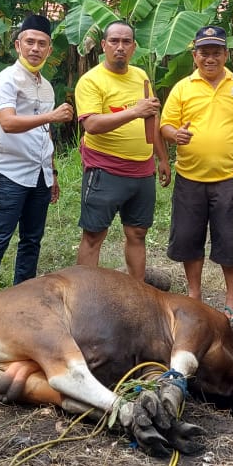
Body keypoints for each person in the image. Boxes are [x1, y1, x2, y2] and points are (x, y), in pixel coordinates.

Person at [0, 15, 74, 302]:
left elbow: (45, 132)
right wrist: (52, 115)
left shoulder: (46, 86)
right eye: (30, 42)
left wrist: (51, 172)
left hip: (39, 174)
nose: (35, 48)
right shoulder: (6, 80)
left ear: (50, 49)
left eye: (42, 44)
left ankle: (24, 298)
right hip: (10, 173)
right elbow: (8, 122)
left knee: (31, 240)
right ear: (18, 45)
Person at [160, 25, 233, 322]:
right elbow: (164, 126)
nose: (210, 58)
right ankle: (195, 296)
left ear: (226, 54)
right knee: (189, 239)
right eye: (204, 52)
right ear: (195, 55)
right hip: (189, 177)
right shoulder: (182, 88)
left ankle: (231, 300)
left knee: (230, 242)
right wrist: (176, 135)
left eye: (216, 52)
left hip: (228, 179)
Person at [75, 21, 171, 280]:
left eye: (126, 42)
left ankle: (137, 292)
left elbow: (151, 118)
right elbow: (92, 124)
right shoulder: (91, 81)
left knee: (137, 233)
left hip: (142, 171)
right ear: (104, 45)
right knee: (95, 235)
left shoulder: (140, 76)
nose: (120, 47)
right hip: (105, 170)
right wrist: (134, 111)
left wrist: (162, 158)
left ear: (134, 47)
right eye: (114, 41)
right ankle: (85, 293)